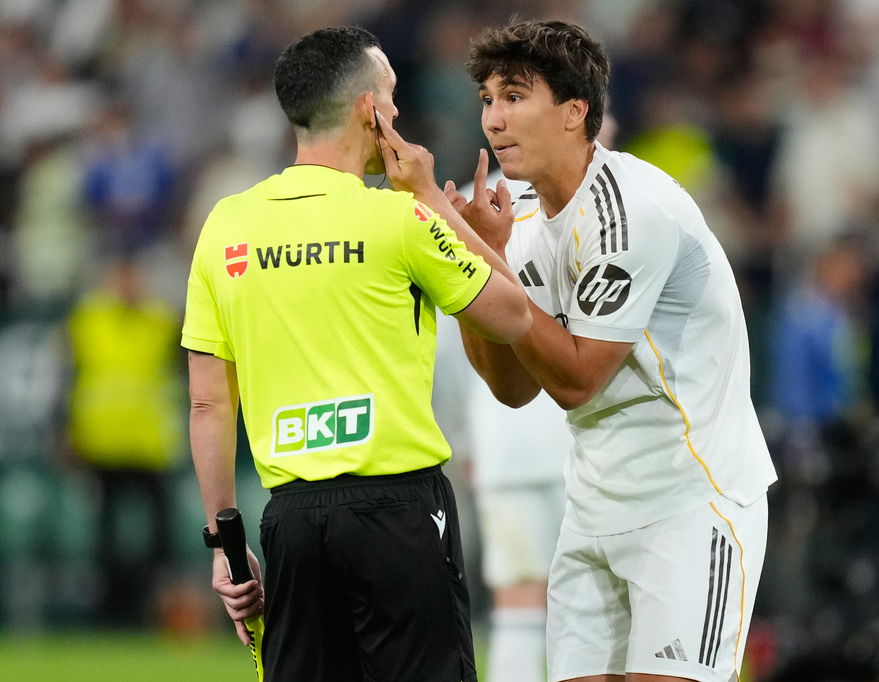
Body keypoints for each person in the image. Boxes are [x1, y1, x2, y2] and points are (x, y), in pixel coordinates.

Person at [182, 26, 531, 682]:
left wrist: (228, 547)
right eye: (391, 97)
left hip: (290, 521)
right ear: (369, 109)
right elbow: (513, 317)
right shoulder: (400, 218)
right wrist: (434, 200)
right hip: (399, 511)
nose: (397, 113)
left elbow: (208, 401)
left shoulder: (224, 225)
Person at [446, 20, 778, 682]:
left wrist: (488, 268)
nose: (494, 118)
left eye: (514, 96)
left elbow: (575, 380)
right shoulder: (528, 221)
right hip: (593, 509)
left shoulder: (630, 211)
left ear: (576, 113)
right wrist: (478, 266)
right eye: (487, 99)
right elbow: (513, 387)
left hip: (690, 506)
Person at [441, 107, 617, 682]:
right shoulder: (611, 208)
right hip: (583, 437)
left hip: (506, 441)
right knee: (596, 603)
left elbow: (445, 339)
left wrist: (459, 433)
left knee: (520, 603)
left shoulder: (463, 207)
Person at [66, 257, 183, 626]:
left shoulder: (162, 320)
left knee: (161, 538)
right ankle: (111, 614)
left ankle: (152, 608)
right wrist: (67, 432)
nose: (128, 285)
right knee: (105, 539)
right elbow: (69, 376)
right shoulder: (88, 321)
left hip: (150, 444)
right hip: (104, 443)